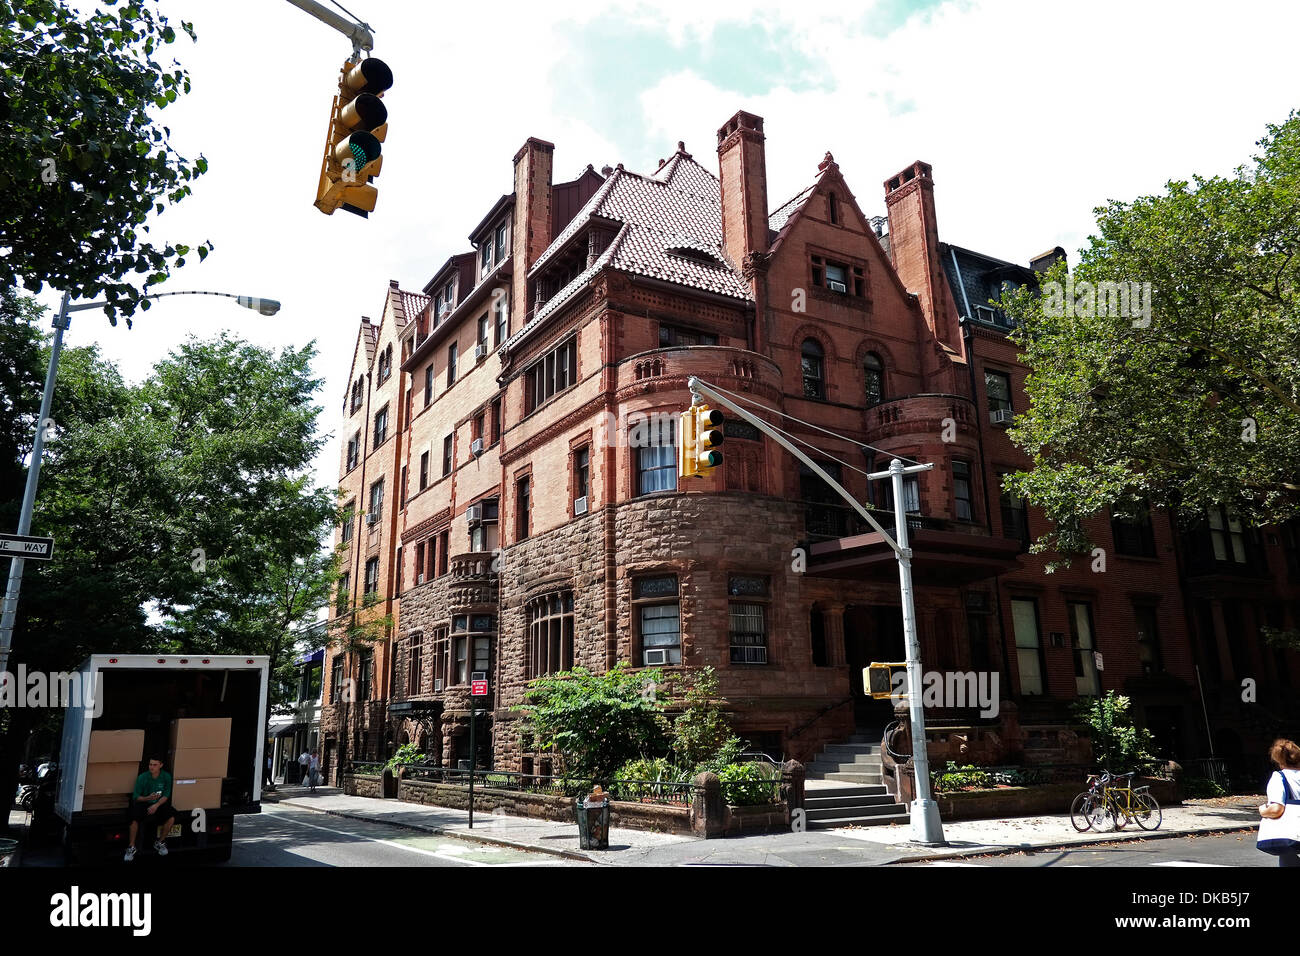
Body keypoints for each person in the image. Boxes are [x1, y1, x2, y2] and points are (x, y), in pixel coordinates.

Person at [1259, 737, 1300, 867]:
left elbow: (1276, 809)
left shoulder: (1280, 778)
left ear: (1279, 760)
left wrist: (1262, 810)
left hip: (1293, 837)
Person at [125, 756, 174, 861]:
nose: (151, 767)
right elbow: (136, 797)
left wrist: (156, 805)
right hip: (144, 802)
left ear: (161, 765)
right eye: (150, 764)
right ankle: (131, 846)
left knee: (171, 817)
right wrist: (147, 798)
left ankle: (160, 842)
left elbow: (166, 795)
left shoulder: (166, 777)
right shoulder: (142, 777)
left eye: (154, 765)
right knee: (133, 818)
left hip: (158, 804)